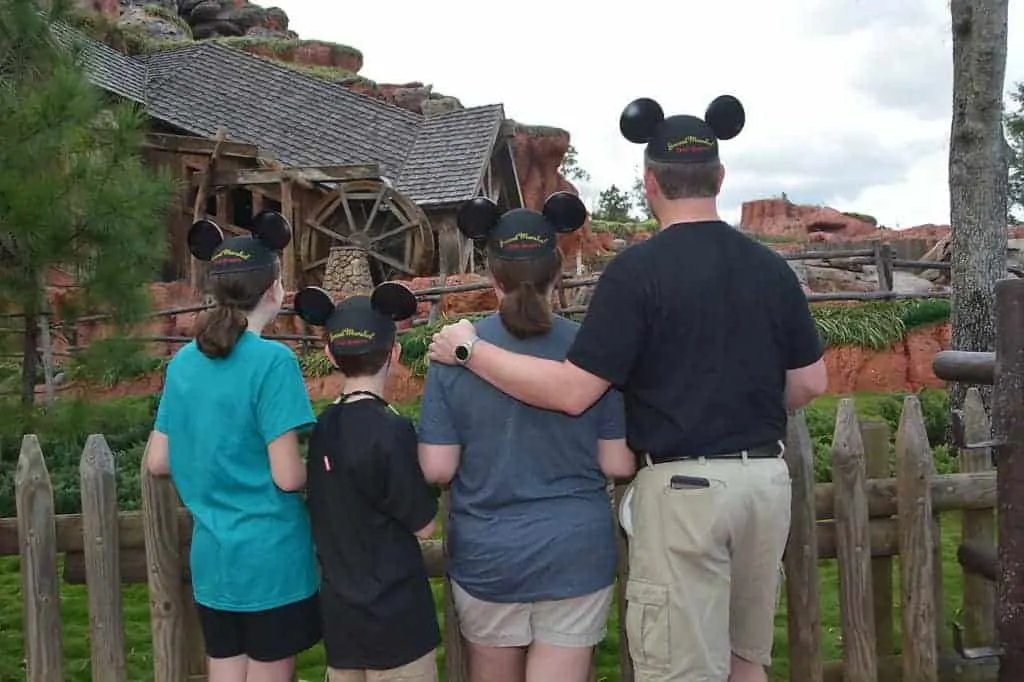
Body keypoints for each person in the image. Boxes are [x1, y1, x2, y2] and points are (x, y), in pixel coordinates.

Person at [427, 96, 828, 682]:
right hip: (764, 482)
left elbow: (572, 392)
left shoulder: (638, 272)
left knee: (681, 667)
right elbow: (810, 381)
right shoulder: (770, 267)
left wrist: (470, 350)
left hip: (687, 487)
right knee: (746, 659)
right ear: (719, 176)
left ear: (650, 183)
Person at [417, 192, 635, 682]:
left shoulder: (455, 352)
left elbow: (437, 468)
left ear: (492, 276)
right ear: (556, 273)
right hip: (575, 550)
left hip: (489, 555)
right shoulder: (590, 349)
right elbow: (618, 463)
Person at [144, 212, 321, 682]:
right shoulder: (274, 362)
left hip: (214, 562)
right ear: (273, 292)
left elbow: (157, 460)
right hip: (270, 559)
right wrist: (327, 469)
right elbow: (287, 476)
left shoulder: (183, 363)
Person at [293, 282, 441, 682]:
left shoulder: (323, 426)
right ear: (393, 354)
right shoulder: (392, 430)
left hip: (342, 621)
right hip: (396, 620)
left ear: (330, 354)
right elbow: (425, 523)